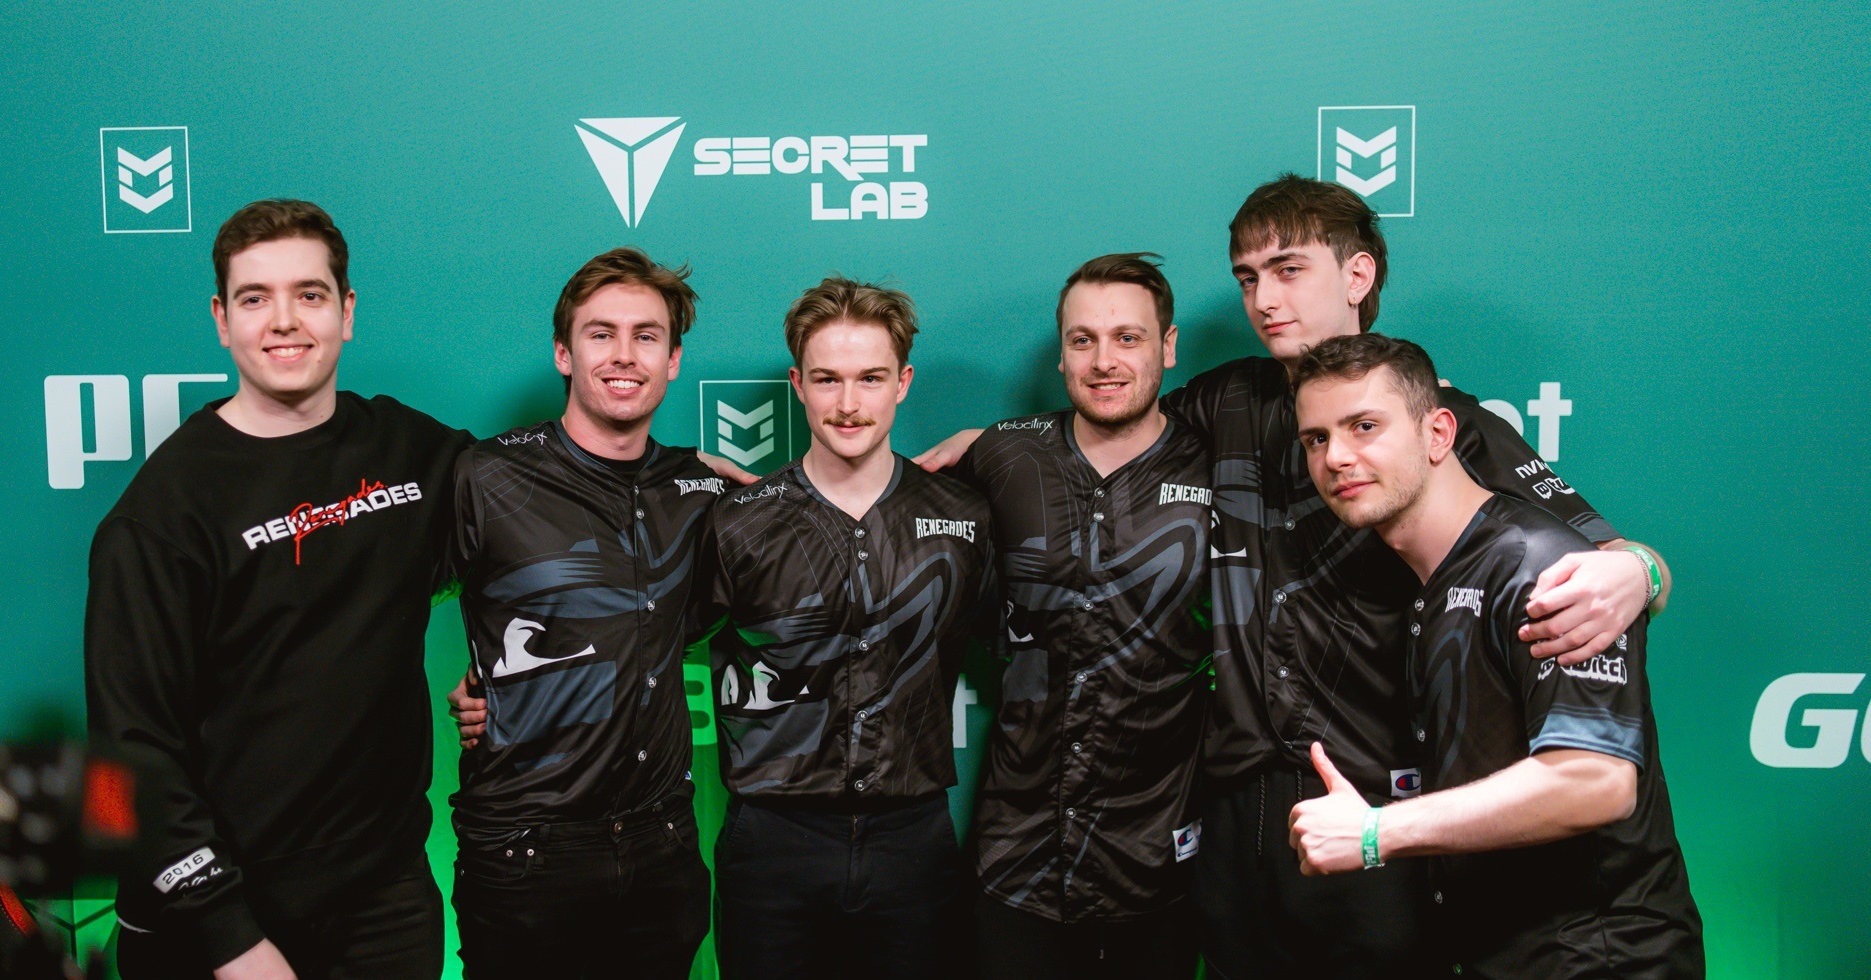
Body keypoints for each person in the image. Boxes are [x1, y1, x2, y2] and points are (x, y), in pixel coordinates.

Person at [915, 174, 1671, 978]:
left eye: (1288, 270)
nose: (1265, 299)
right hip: (1232, 813)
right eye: (1248, 278)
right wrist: (999, 442)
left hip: (1372, 797)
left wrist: (1642, 572)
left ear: (1357, 276)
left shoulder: (1433, 416)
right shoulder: (1226, 399)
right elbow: (1117, 417)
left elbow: (1597, 548)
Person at [87, 199, 467, 980]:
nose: (284, 320)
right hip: (222, 919)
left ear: (346, 312)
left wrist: (684, 478)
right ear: (222, 320)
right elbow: (134, 752)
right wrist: (229, 939)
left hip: (386, 898)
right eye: (256, 298)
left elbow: (547, 497)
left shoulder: (407, 448)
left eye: (309, 294)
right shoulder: (163, 514)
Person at [1286, 333, 1702, 979]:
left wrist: (1375, 833)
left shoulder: (1543, 569)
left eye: (1364, 426)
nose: (1337, 457)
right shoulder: (1432, 577)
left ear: (1438, 433)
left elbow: (1595, 781)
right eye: (1316, 438)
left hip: (1600, 959)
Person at [699, 278, 998, 980]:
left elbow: (1034, 641)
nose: (848, 403)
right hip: (772, 840)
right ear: (798, 385)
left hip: (912, 840)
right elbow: (643, 640)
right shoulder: (738, 521)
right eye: (827, 379)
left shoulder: (964, 517)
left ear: (903, 383)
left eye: (870, 378)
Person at [441, 247, 721, 978]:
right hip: (526, 854)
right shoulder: (489, 476)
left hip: (663, 849)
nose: (624, 355)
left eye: (646, 336)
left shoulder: (698, 489)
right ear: (564, 354)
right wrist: (485, 679)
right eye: (601, 334)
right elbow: (374, 602)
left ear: (673, 360)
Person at [950, 254, 1211, 976]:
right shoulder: (1005, 454)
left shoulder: (1218, 466)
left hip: (1156, 862)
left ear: (1168, 346)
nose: (1104, 361)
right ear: (1062, 353)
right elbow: (893, 512)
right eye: (1083, 340)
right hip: (1017, 856)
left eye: (1128, 338)